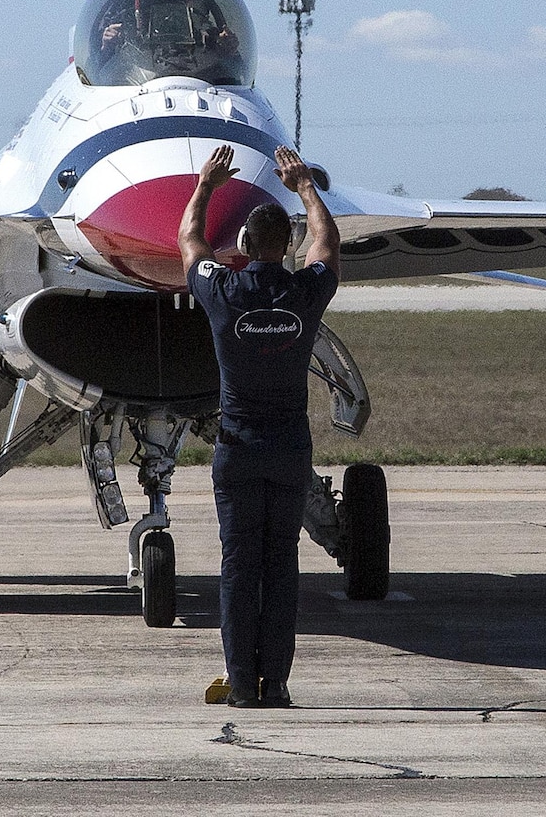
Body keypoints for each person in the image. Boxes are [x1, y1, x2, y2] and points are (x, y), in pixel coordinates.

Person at [179, 143, 340, 709]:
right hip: (289, 450)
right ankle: (278, 683)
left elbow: (190, 241)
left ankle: (243, 686)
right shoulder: (306, 291)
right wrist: (304, 187)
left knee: (238, 567)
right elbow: (327, 243)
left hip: (238, 451)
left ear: (243, 246)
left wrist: (205, 186)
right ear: (287, 248)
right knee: (282, 567)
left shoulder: (223, 292)